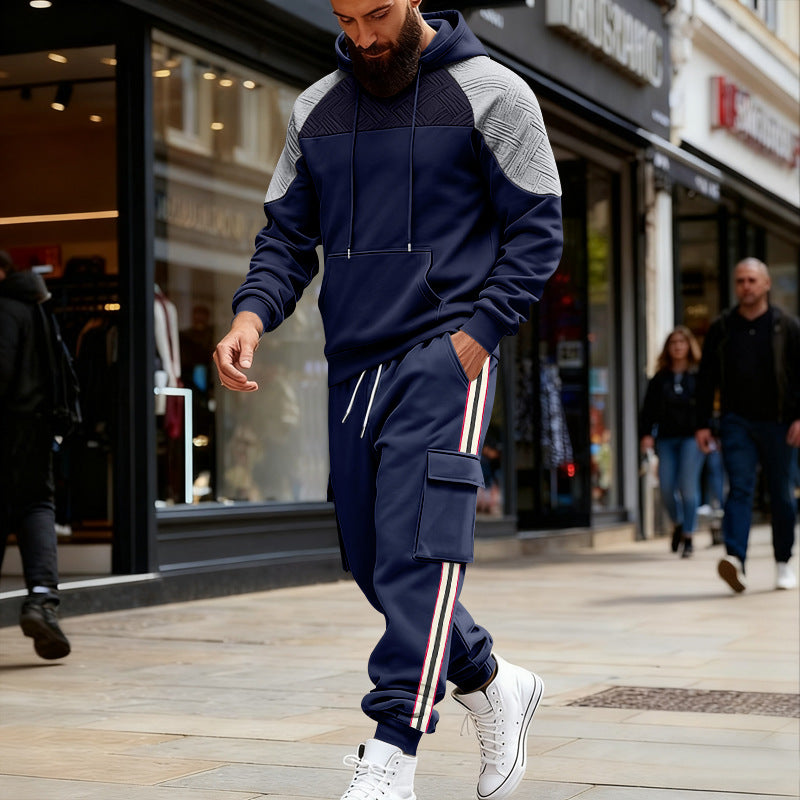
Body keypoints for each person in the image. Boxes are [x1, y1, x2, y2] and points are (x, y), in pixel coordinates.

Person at [213, 3, 562, 798]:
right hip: (352, 366)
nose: (363, 38)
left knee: (419, 557)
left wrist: (473, 341)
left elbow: (537, 232)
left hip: (445, 357)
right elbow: (286, 236)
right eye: (346, 17)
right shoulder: (317, 107)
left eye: (377, 15)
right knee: (374, 562)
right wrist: (249, 314)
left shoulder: (494, 93)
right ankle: (493, 681)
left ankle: (391, 755)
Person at [696, 258, 800, 593]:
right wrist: (702, 423)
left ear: (766, 284)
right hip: (735, 421)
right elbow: (706, 378)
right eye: (740, 280)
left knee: (781, 493)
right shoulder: (722, 328)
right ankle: (736, 560)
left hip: (780, 422)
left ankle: (783, 561)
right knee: (739, 488)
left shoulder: (787, 325)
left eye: (752, 280)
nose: (746, 286)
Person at [0, 250, 71, 659]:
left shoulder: (6, 309)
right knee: (36, 506)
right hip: (37, 430)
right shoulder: (38, 306)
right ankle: (42, 600)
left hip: (10, 428)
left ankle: (41, 605)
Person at [640, 327, 705, 557]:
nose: (678, 346)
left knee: (688, 487)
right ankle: (677, 522)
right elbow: (648, 410)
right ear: (668, 348)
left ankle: (688, 535)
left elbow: (706, 408)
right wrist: (646, 435)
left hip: (692, 438)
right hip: (666, 438)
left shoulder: (698, 376)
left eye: (682, 342)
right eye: (673, 343)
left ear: (689, 346)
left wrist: (708, 431)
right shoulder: (660, 378)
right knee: (666, 487)